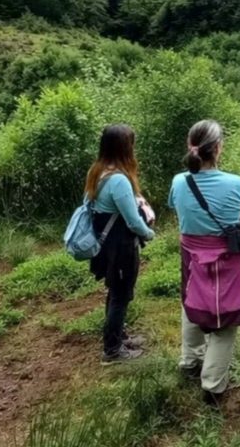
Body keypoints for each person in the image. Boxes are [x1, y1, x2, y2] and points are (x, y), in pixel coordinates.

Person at [168, 119, 240, 405]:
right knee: (225, 315)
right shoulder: (235, 183)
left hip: (190, 255)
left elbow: (176, 208)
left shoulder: (179, 182)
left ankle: (190, 360)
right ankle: (213, 385)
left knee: (191, 300)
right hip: (227, 257)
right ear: (217, 148)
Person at [85, 124, 156, 364]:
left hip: (105, 245)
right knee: (121, 295)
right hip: (121, 247)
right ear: (125, 148)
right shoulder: (119, 181)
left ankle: (117, 335)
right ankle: (113, 349)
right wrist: (149, 234)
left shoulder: (97, 172)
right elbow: (133, 221)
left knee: (115, 291)